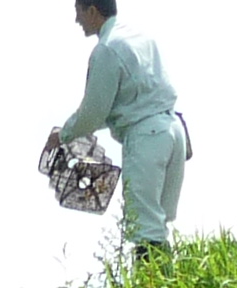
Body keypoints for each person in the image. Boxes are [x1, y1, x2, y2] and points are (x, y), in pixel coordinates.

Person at [48, 0, 187, 258]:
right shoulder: (139, 36)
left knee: (145, 228)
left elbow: (94, 111)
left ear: (92, 10)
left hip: (146, 137)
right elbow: (118, 104)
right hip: (174, 130)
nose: (77, 20)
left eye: (78, 12)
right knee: (158, 223)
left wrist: (64, 134)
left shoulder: (106, 49)